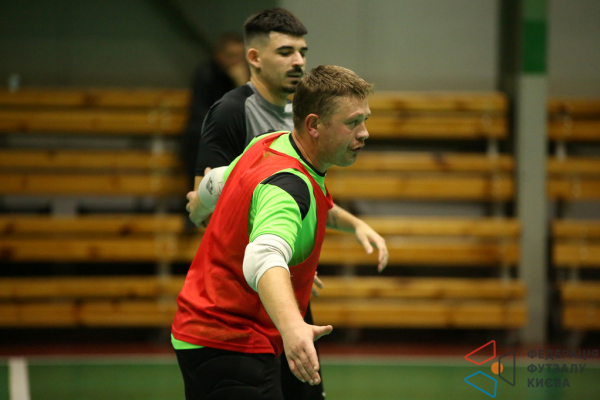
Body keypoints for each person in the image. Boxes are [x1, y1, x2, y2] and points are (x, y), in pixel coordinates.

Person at [181, 8, 387, 400]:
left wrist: (355, 225)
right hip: (234, 321)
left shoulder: (275, 140)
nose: (297, 61)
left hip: (265, 306)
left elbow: (218, 181)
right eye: (285, 52)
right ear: (314, 126)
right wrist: (281, 267)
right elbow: (260, 249)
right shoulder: (237, 118)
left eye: (302, 52)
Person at [180, 33, 249, 183]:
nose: (236, 61)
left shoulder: (248, 75)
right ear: (219, 56)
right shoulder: (206, 73)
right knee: (198, 134)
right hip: (210, 133)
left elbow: (252, 111)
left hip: (235, 135)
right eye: (231, 55)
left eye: (240, 56)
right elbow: (199, 112)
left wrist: (241, 83)